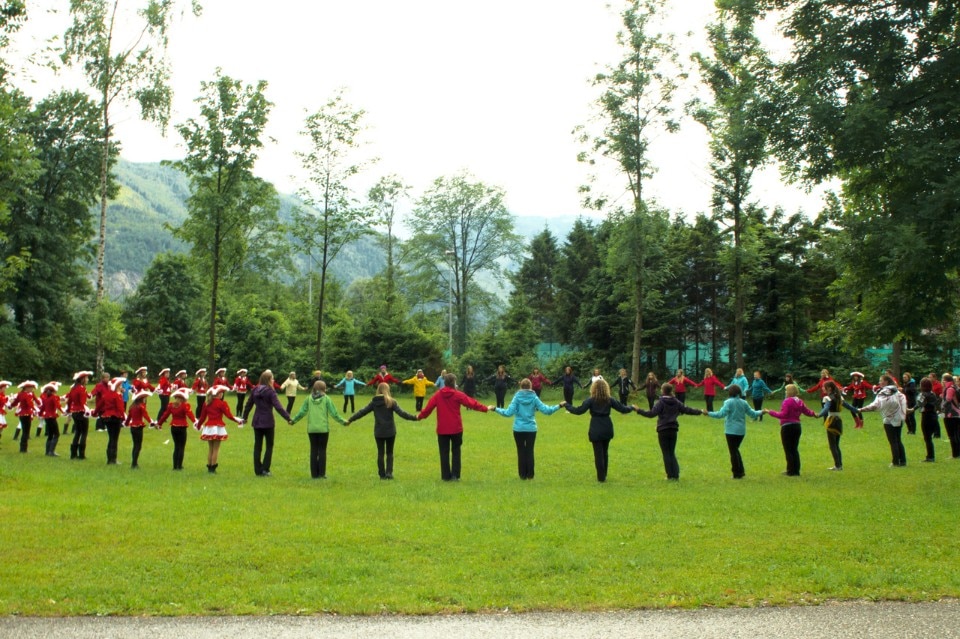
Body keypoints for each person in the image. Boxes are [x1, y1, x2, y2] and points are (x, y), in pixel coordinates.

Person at [417, 372, 489, 481]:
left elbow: (428, 409)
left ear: (445, 383)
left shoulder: (438, 395)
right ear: (454, 383)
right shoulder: (458, 394)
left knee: (444, 452)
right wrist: (485, 408)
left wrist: (420, 416)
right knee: (456, 451)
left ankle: (445, 476)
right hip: (456, 428)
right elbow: (472, 403)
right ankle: (455, 475)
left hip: (442, 429)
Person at [566, 378, 635, 482]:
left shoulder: (590, 400)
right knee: (605, 452)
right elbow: (623, 408)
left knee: (598, 454)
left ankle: (601, 477)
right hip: (607, 426)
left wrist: (566, 405)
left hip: (596, 427)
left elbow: (578, 411)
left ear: (593, 389)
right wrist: (632, 407)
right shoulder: (610, 399)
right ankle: (604, 474)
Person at [493, 378, 563, 480]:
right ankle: (530, 475)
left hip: (518, 428)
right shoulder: (534, 397)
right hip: (531, 428)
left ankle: (522, 475)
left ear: (520, 386)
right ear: (530, 386)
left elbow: (508, 413)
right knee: (530, 451)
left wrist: (496, 409)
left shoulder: (517, 397)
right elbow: (547, 410)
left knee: (521, 451)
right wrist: (559, 406)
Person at [346, 382, 416, 479]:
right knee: (390, 453)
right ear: (388, 390)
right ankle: (389, 473)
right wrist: (415, 417)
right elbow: (402, 413)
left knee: (380, 452)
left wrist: (350, 419)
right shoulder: (391, 401)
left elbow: (362, 412)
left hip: (379, 431)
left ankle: (381, 474)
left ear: (378, 390)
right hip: (390, 430)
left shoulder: (374, 402)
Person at [636, 383, 702, 480]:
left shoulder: (661, 402)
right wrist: (700, 411)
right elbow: (687, 410)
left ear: (663, 391)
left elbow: (651, 414)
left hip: (663, 430)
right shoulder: (676, 401)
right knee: (671, 452)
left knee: (666, 453)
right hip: (673, 429)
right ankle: (675, 474)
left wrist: (639, 410)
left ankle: (670, 475)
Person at [703, 385, 762, 479]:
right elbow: (752, 413)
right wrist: (762, 411)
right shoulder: (744, 402)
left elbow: (720, 414)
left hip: (731, 430)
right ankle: (741, 471)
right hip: (741, 431)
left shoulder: (728, 402)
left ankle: (737, 473)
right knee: (736, 450)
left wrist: (708, 413)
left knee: (733, 452)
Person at [291, 380, 346, 479]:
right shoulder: (326, 399)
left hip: (311, 429)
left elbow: (302, 412)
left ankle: (314, 474)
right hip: (323, 429)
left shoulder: (308, 399)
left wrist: (293, 420)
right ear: (324, 388)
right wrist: (343, 422)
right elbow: (334, 414)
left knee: (313, 450)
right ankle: (322, 473)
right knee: (322, 451)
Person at [242, 370, 292, 477]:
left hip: (257, 421)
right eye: (272, 378)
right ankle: (265, 469)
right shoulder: (270, 392)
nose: (273, 380)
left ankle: (257, 469)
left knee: (257, 446)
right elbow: (278, 407)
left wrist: (245, 417)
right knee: (269, 446)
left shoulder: (255, 390)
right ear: (269, 380)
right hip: (268, 422)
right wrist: (287, 418)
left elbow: (248, 405)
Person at [765, 383, 818, 476]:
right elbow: (807, 411)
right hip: (797, 426)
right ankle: (796, 470)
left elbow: (783, 414)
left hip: (787, 427)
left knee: (788, 449)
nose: (785, 392)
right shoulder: (799, 401)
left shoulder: (787, 401)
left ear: (789, 392)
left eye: (786, 390)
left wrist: (770, 412)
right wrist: (814, 414)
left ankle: (790, 470)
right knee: (794, 449)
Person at [860, 374, 907, 467]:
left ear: (886, 382)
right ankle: (903, 461)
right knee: (898, 440)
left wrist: (861, 409)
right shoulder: (896, 391)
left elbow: (876, 404)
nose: (879, 382)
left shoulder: (885, 392)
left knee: (893, 441)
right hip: (899, 418)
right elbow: (902, 401)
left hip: (890, 419)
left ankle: (895, 462)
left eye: (881, 380)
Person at [197, 385, 243, 474]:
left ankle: (209, 465)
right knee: (216, 449)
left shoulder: (206, 403)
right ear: (219, 394)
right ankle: (213, 468)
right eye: (222, 393)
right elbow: (229, 415)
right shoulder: (222, 403)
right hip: (217, 427)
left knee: (210, 448)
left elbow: (202, 417)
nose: (222, 394)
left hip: (209, 427)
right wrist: (238, 421)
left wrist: (198, 425)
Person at [818, 380, 858, 471]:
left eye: (824, 387)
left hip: (831, 420)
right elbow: (849, 407)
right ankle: (839, 465)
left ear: (829, 388)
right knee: (836, 444)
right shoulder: (840, 397)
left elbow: (826, 409)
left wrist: (818, 415)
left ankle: (837, 465)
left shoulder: (827, 398)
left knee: (832, 445)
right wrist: (858, 410)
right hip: (839, 420)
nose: (822, 388)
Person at [157, 388, 196, 470]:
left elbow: (165, 415)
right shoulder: (185, 405)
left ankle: (175, 466)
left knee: (176, 446)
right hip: (182, 427)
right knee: (181, 447)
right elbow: (190, 415)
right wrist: (195, 422)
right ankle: (179, 466)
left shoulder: (171, 405)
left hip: (173, 427)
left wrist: (159, 423)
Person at [124, 390, 153, 469]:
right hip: (139, 426)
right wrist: (151, 423)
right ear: (141, 399)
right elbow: (146, 415)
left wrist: (126, 424)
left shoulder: (132, 407)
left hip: (132, 427)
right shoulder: (141, 407)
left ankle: (134, 462)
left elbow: (129, 418)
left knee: (135, 445)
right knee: (138, 446)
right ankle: (134, 463)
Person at [101, 377, 127, 465]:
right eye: (120, 385)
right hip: (115, 418)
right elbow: (120, 409)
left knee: (111, 437)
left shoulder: (107, 394)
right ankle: (113, 459)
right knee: (114, 439)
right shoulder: (117, 395)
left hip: (107, 418)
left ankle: (109, 459)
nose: (121, 387)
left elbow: (100, 405)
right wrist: (124, 419)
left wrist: (95, 413)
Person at [11, 380, 39, 453]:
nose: (32, 389)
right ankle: (23, 449)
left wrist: (10, 406)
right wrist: (36, 409)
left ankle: (22, 448)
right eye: (31, 387)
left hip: (21, 414)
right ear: (26, 388)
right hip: (26, 414)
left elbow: (15, 402)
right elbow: (29, 403)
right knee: (26, 432)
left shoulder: (20, 394)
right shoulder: (26, 395)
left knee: (24, 431)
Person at [38, 382, 64, 457]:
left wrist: (40, 414)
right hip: (52, 417)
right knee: (56, 434)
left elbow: (42, 408)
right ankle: (51, 451)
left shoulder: (45, 398)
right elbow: (58, 406)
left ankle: (47, 451)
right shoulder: (53, 397)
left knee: (50, 435)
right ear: (53, 391)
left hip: (46, 417)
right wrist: (63, 412)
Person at [917, 378, 939, 462]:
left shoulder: (923, 394)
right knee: (929, 437)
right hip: (933, 416)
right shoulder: (932, 394)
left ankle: (930, 456)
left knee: (927, 438)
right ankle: (930, 455)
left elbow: (919, 403)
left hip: (926, 417)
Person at [940, 373, 960, 459]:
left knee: (951, 435)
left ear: (945, 381)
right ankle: (957, 453)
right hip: (957, 414)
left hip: (950, 414)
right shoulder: (955, 387)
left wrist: (941, 408)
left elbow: (948, 400)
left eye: (943, 380)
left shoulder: (949, 389)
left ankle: (955, 454)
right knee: (956, 434)